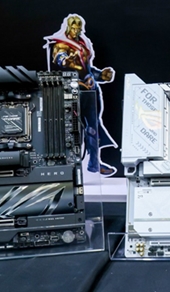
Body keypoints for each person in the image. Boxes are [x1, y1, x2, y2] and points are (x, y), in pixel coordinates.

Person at [43, 14, 117, 176]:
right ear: (68, 28)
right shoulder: (61, 44)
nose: (76, 31)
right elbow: (61, 59)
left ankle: (94, 164)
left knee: (93, 128)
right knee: (69, 130)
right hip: (70, 92)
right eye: (74, 28)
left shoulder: (83, 43)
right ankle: (67, 167)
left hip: (89, 92)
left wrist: (100, 75)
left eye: (79, 29)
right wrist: (66, 61)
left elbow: (86, 69)